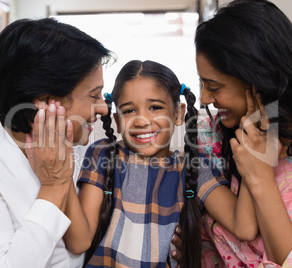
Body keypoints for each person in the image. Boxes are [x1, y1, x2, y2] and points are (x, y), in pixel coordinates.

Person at [171, 0, 292, 267]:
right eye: (202, 83)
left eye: (214, 86)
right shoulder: (210, 137)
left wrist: (260, 176)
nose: (204, 97)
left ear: (258, 79)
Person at [0, 17, 113, 267]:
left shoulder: (82, 144)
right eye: (94, 95)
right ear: (44, 101)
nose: (104, 109)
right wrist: (53, 186)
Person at [61, 60, 259, 268]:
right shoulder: (103, 154)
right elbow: (78, 242)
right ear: (117, 122)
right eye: (129, 111)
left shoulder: (194, 168)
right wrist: (62, 174)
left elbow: (244, 227)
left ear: (178, 113)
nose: (142, 120)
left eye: (155, 107)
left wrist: (252, 155)